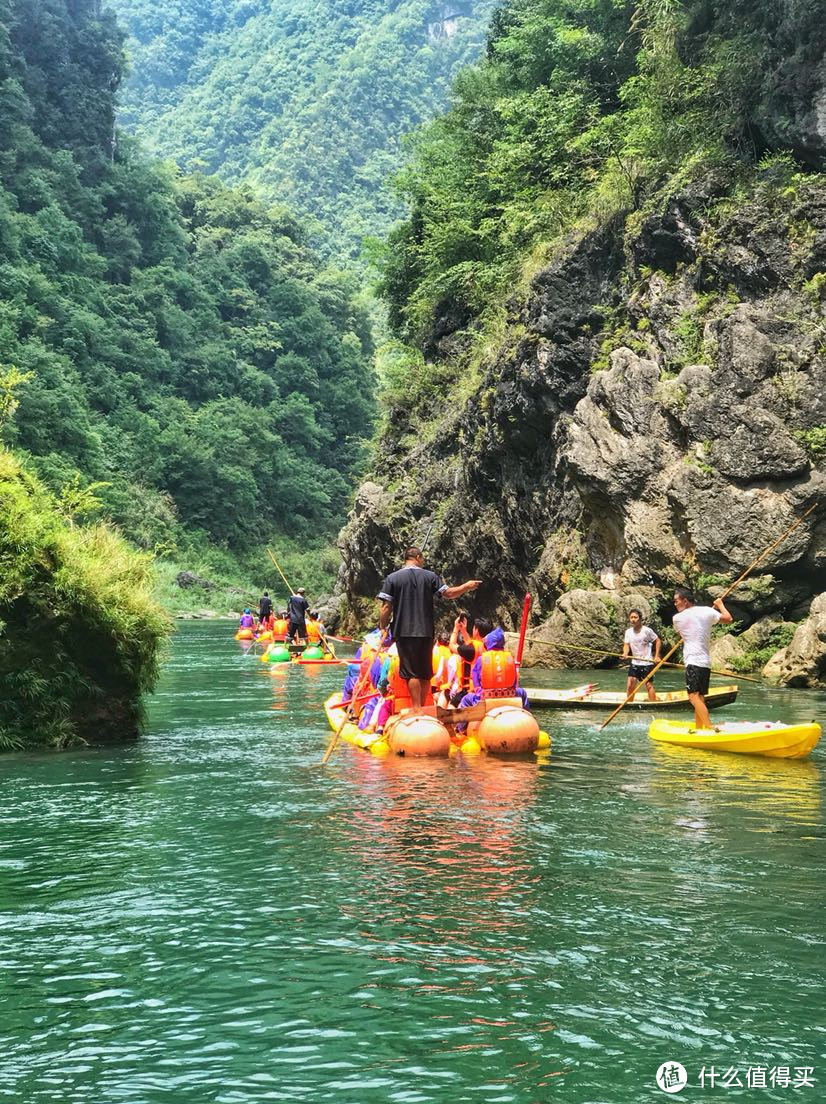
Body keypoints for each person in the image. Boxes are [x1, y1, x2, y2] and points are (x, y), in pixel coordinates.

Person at [378, 546, 481, 711]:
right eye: (423, 558)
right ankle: (425, 707)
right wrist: (466, 586)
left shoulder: (393, 578)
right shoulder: (430, 576)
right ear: (418, 557)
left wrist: (383, 627)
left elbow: (386, 607)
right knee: (425, 671)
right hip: (425, 631)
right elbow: (448, 593)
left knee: (411, 672)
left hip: (403, 632)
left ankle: (416, 708)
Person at [672, 587, 733, 729]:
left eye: (676, 601)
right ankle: (699, 727)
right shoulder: (707, 611)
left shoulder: (677, 618)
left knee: (693, 697)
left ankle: (709, 726)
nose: (675, 604)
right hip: (705, 663)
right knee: (700, 698)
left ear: (685, 601)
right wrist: (719, 605)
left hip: (693, 661)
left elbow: (683, 635)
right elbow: (728, 619)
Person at [621, 609, 661, 702]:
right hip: (635, 663)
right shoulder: (628, 632)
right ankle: (629, 704)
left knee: (648, 685)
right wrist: (625, 653)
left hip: (647, 663)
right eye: (631, 617)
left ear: (640, 619)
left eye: (635, 617)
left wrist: (656, 656)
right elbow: (626, 645)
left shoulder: (647, 631)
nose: (633, 619)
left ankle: (653, 705)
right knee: (630, 685)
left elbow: (658, 641)